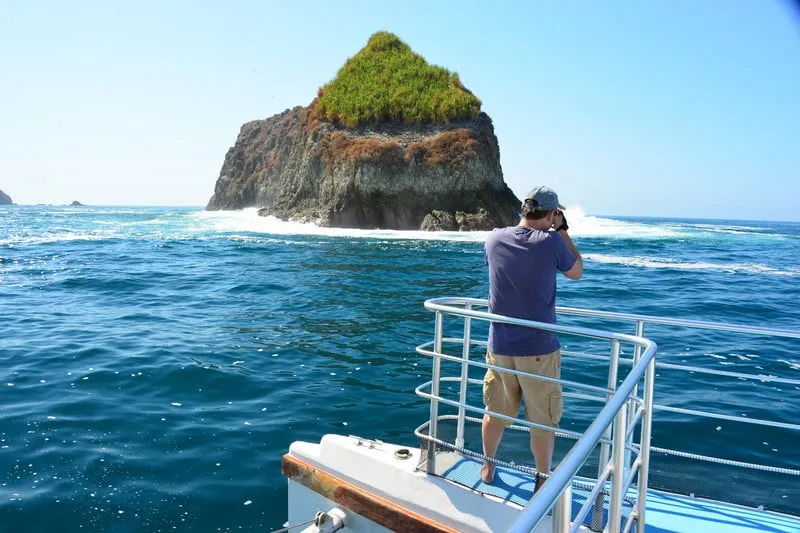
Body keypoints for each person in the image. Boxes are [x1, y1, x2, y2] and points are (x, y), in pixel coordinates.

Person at [481, 185, 583, 491]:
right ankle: (542, 478)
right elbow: (576, 271)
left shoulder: (494, 237)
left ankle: (488, 465)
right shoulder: (551, 242)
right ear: (552, 214)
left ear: (523, 209)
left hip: (499, 345)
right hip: (538, 349)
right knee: (542, 421)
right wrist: (563, 232)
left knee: (495, 412)